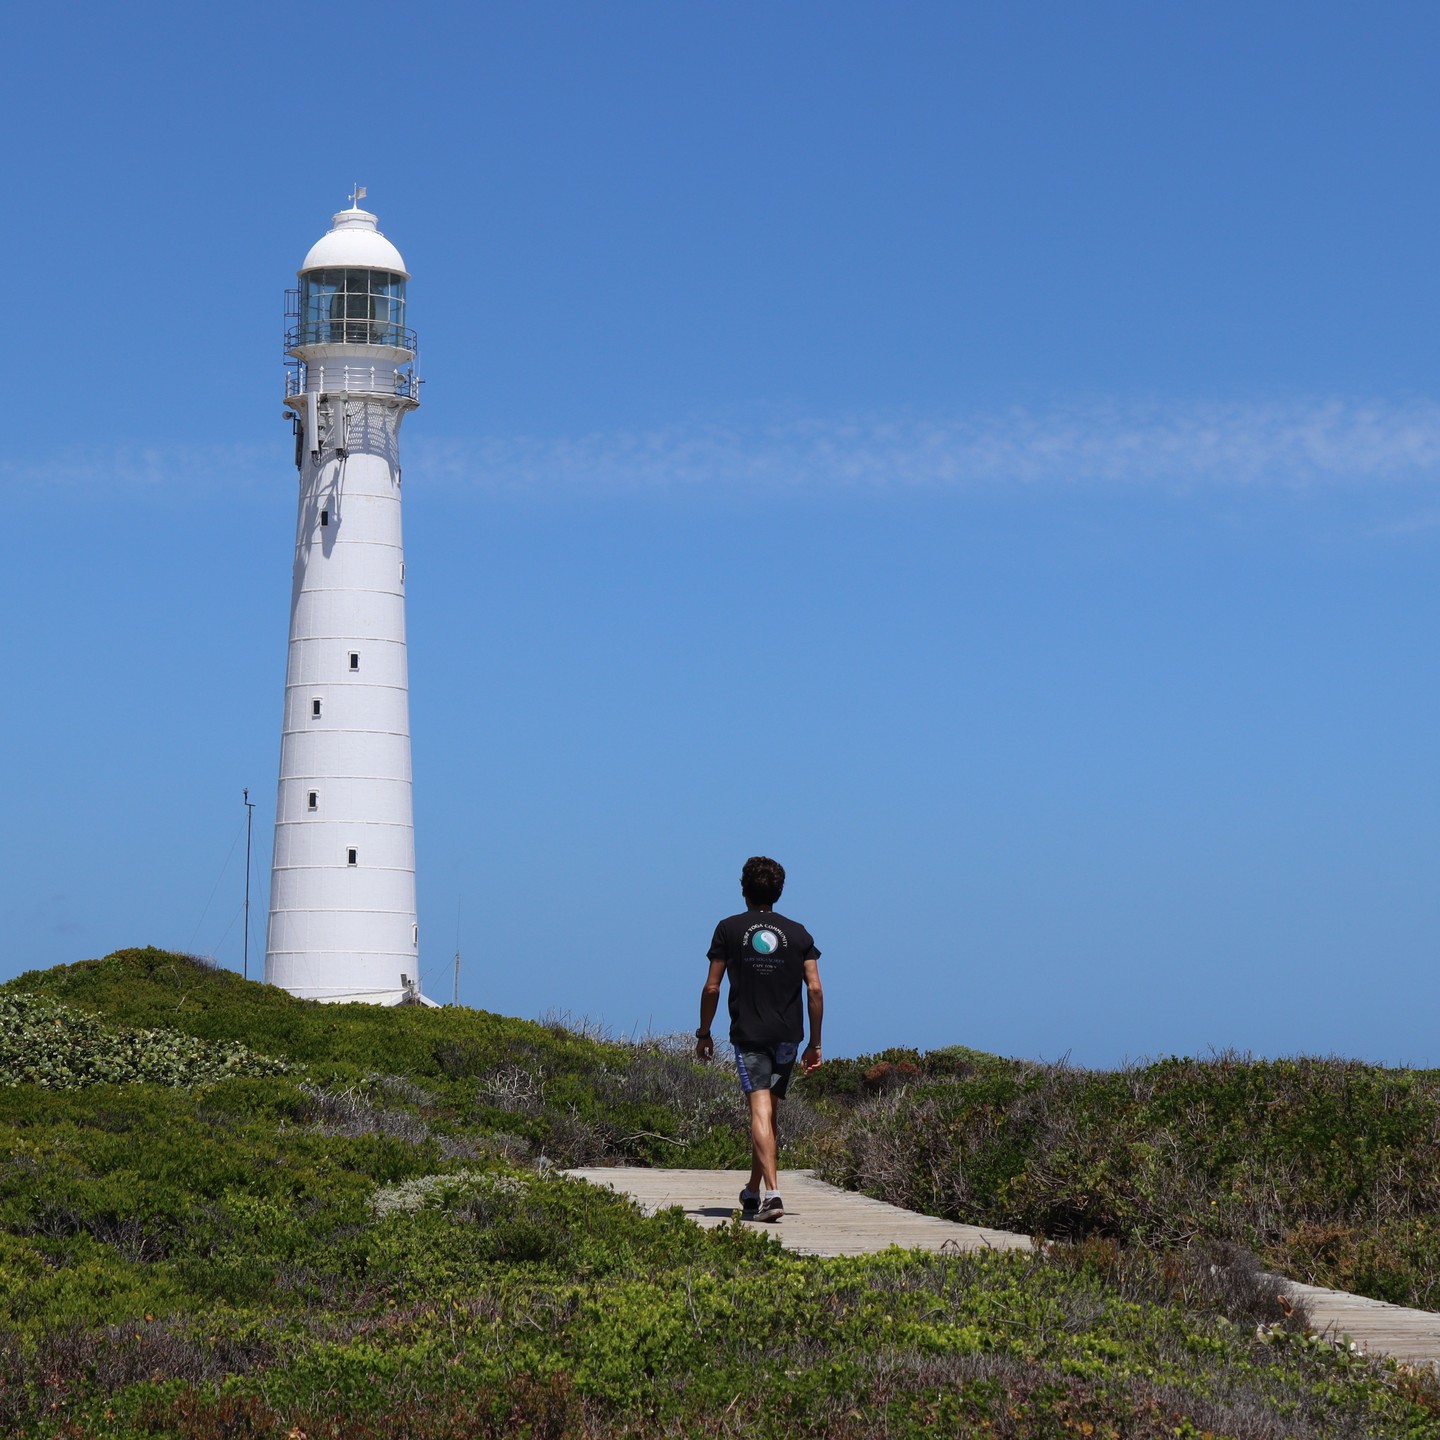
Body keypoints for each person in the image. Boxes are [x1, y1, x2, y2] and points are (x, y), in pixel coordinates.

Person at [695, 856, 823, 1222]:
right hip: (788, 1036)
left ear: (743, 889)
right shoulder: (798, 934)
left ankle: (773, 1195)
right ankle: (753, 1191)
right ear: (779, 892)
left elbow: (712, 985)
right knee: (769, 1113)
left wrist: (704, 1032)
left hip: (750, 1034)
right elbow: (814, 988)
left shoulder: (728, 929)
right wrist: (815, 1043)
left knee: (759, 1111)